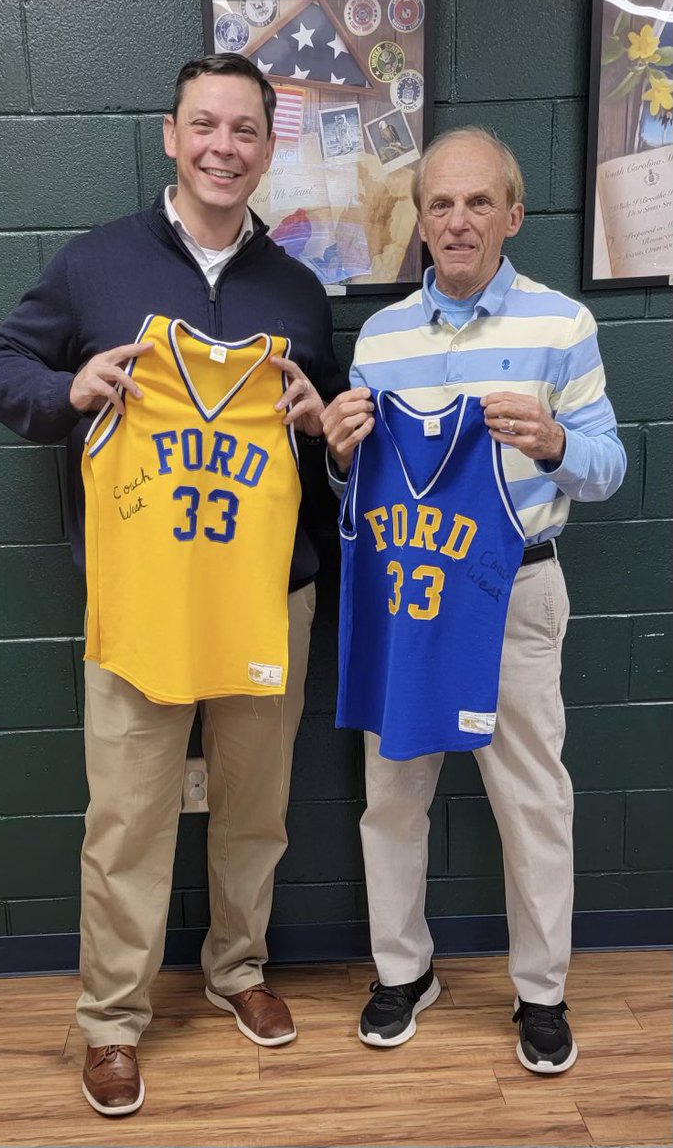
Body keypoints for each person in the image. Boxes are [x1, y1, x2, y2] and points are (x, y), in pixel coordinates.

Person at [0, 53, 341, 1116]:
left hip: (268, 593)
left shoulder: (297, 291)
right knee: (128, 818)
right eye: (205, 126)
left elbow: (331, 433)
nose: (224, 147)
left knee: (255, 806)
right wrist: (69, 386)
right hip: (141, 593)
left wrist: (320, 424)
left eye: (245, 131)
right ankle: (110, 1020)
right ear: (172, 137)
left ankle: (238, 968)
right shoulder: (95, 265)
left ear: (266, 150)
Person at [322, 126, 626, 1074]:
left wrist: (554, 444)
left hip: (514, 588)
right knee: (390, 794)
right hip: (405, 592)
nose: (457, 221)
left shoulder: (561, 325)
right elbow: (357, 488)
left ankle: (541, 991)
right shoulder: (379, 337)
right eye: (440, 204)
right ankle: (401, 971)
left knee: (531, 799)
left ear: (513, 215)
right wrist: (338, 458)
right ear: (419, 220)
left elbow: (609, 467)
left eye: (478, 202)